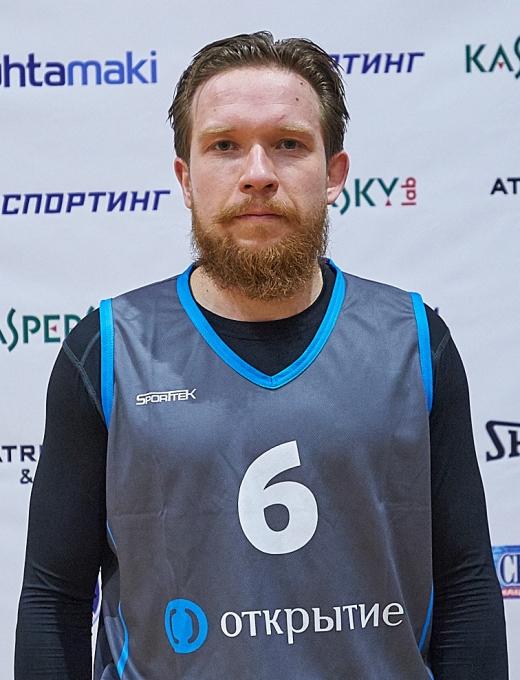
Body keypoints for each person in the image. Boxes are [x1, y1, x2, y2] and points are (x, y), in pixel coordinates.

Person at [15, 32, 508, 679]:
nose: (257, 173)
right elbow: (54, 599)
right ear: (185, 179)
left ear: (334, 174)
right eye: (224, 145)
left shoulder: (414, 341)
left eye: (289, 144)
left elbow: (467, 586)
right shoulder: (106, 350)